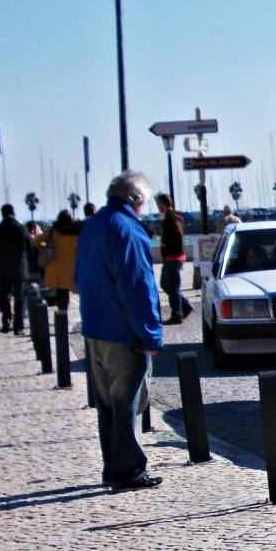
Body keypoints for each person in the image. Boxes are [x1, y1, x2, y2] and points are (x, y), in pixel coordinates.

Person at [75, 171, 164, 493]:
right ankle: (128, 471)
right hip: (122, 330)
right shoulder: (128, 230)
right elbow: (138, 287)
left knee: (107, 405)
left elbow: (78, 276)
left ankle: (112, 466)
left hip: (94, 327)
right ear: (136, 200)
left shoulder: (92, 225)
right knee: (127, 401)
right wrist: (151, 334)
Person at [0, 203, 30, 333]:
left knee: (4, 297)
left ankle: (6, 321)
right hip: (19, 268)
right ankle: (18, 326)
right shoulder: (22, 228)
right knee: (19, 298)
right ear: (13, 212)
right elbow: (28, 247)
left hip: (2, 268)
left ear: (2, 213)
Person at [154, 193, 192, 324]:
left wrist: (165, 243)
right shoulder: (172, 216)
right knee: (166, 284)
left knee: (171, 286)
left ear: (164, 204)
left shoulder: (171, 217)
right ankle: (185, 305)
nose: (157, 206)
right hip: (172, 257)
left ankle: (177, 314)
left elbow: (176, 234)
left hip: (173, 257)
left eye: (158, 204)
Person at [35, 210, 80, 310]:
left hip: (55, 265)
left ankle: (61, 310)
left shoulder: (52, 230)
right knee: (65, 290)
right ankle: (63, 310)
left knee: (60, 290)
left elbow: (37, 241)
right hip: (71, 265)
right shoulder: (74, 231)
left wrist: (45, 245)